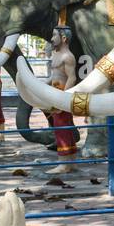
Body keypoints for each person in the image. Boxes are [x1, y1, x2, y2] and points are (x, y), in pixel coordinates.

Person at [40, 25, 80, 174]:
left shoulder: (67, 56)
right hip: (55, 93)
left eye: (54, 35)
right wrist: (43, 84)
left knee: (62, 127)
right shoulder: (56, 55)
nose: (51, 39)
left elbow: (72, 77)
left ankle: (64, 163)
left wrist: (64, 96)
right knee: (62, 126)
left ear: (63, 38)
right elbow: (54, 75)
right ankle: (71, 162)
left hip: (62, 95)